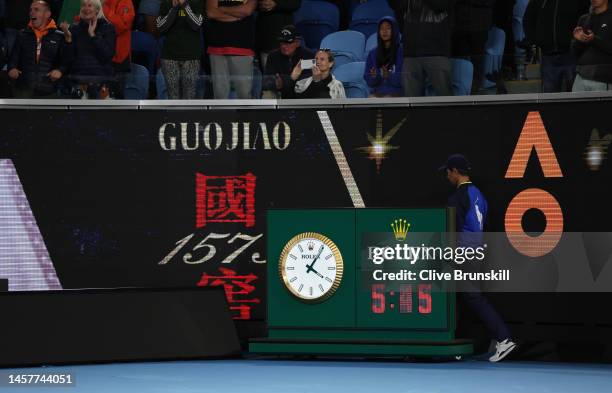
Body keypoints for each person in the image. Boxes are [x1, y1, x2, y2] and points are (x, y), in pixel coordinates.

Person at [440, 154, 517, 362]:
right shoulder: (479, 195)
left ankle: (504, 338)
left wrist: (449, 255)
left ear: (456, 171)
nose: (446, 175)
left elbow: (451, 230)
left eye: (448, 171)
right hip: (477, 252)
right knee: (462, 298)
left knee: (469, 297)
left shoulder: (457, 198)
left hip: (464, 254)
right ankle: (457, 345)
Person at [523, 0, 591, 93]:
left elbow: (587, 19)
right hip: (548, 56)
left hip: (572, 54)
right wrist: (536, 41)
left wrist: (577, 43)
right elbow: (528, 19)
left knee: (575, 97)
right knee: (550, 100)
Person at [7, 0, 70, 98]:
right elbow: (13, 59)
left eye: (36, 9)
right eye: (31, 10)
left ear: (47, 14)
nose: (32, 12)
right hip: (23, 89)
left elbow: (65, 62)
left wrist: (60, 71)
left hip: (49, 90)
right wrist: (12, 69)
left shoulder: (59, 36)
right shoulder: (22, 35)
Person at [62, 0, 116, 99]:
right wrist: (68, 39)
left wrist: (93, 35)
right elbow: (68, 60)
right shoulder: (74, 29)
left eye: (89, 5)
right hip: (78, 82)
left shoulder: (108, 28)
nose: (85, 8)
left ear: (97, 10)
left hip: (101, 82)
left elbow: (107, 54)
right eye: (83, 5)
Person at [206, 0, 256, 99]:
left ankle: (244, 115)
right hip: (217, 47)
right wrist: (237, 16)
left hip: (243, 47)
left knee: (244, 96)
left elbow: (247, 10)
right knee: (220, 98)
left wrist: (222, 9)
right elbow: (211, 12)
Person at [157, 0, 203, 99]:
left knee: (189, 96)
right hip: (169, 56)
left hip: (191, 56)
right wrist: (174, 8)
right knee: (172, 96)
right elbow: (160, 27)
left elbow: (196, 24)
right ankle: (173, 115)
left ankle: (188, 115)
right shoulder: (166, 3)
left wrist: (185, 4)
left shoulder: (197, 2)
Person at [452, 0, 496, 93]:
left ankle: (475, 89)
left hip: (479, 24)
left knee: (477, 59)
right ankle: (461, 88)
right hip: (460, 23)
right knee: (460, 59)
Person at [262, 25, 314, 99]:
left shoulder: (308, 55)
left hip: (301, 92)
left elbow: (309, 79)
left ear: (297, 43)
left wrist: (286, 80)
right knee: (268, 94)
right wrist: (275, 83)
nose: (283, 46)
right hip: (281, 93)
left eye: (288, 42)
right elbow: (267, 81)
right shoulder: (273, 56)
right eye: (281, 42)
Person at [571, 0, 612, 92]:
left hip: (603, 78)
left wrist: (594, 40)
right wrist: (578, 41)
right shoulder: (584, 19)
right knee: (575, 106)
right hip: (580, 76)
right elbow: (575, 51)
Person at [364, 16, 403, 97]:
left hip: (398, 92)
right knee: (370, 99)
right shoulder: (373, 53)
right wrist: (375, 77)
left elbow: (405, 80)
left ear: (394, 30)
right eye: (381, 28)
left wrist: (389, 75)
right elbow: (369, 81)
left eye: (388, 28)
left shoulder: (402, 51)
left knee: (387, 98)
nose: (384, 31)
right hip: (378, 92)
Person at [256, 0, 301, 69]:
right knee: (268, 76)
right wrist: (261, 4)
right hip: (265, 37)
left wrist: (276, 4)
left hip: (285, 35)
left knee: (287, 75)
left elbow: (295, 3)